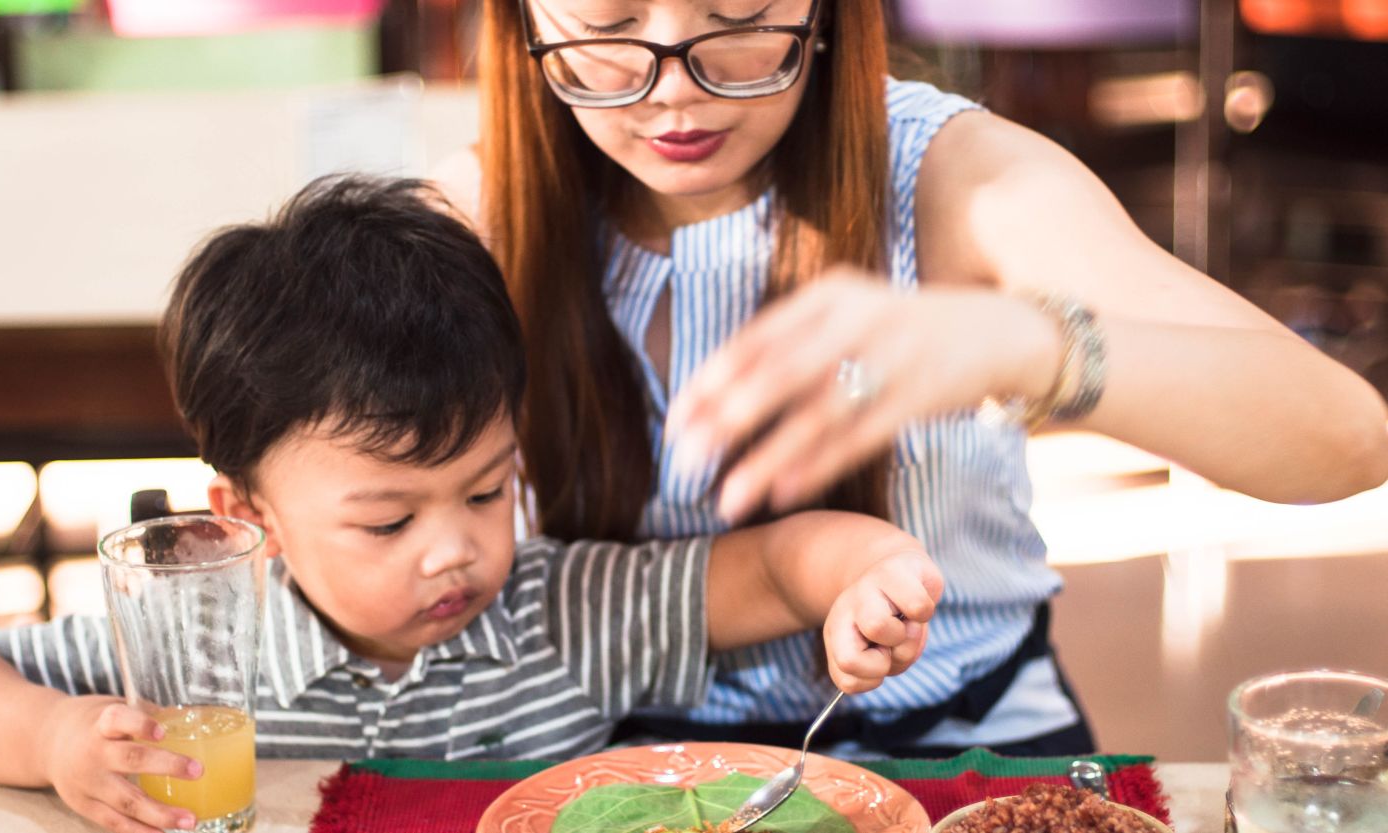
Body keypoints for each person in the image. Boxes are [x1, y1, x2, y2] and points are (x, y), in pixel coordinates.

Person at [432, 0, 1388, 755]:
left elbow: (1346, 439)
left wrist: (1029, 344)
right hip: (627, 756)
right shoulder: (480, 214)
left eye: (738, 19)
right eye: (606, 26)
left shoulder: (953, 176)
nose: (677, 90)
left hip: (961, 745)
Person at [0, 176, 943, 833]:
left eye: (488, 488)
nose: (456, 548)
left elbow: (765, 567)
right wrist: (53, 741)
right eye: (389, 519)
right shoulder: (205, 649)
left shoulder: (564, 609)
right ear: (249, 512)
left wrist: (867, 571)